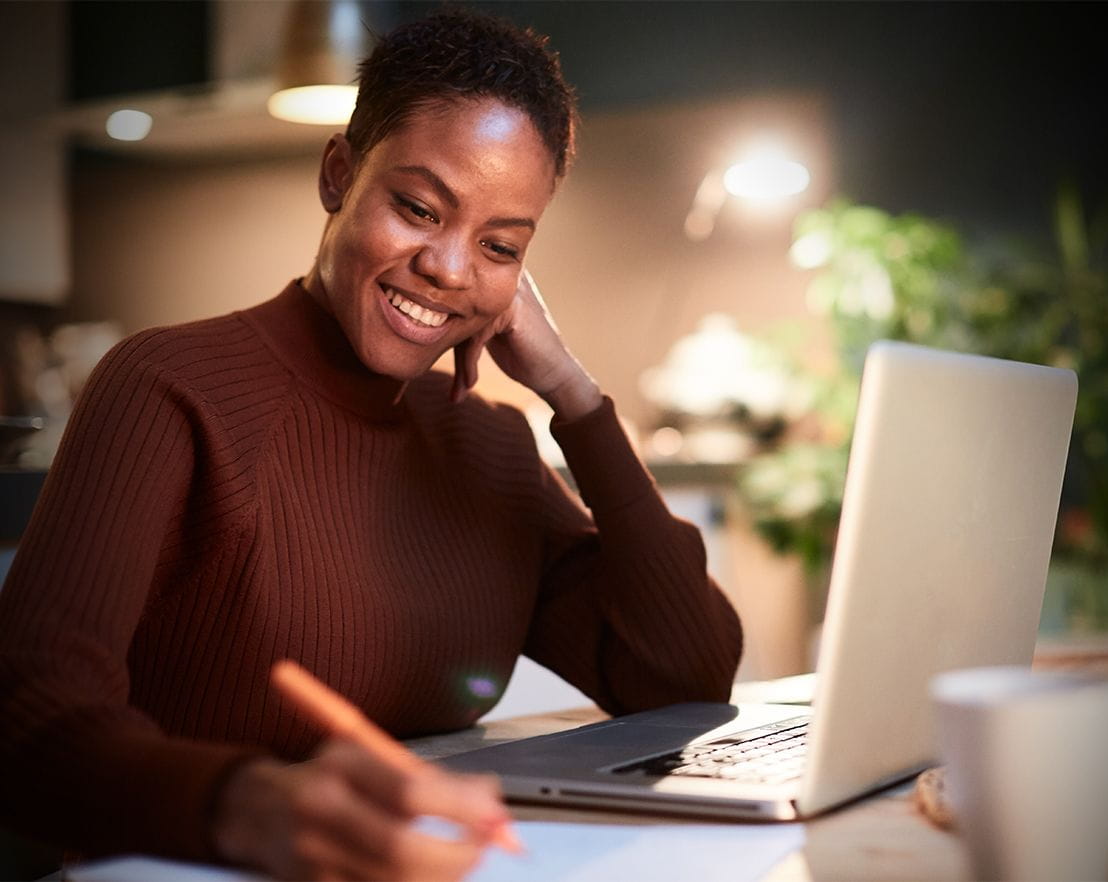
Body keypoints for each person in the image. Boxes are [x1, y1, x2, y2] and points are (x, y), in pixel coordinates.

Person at [0, 9, 742, 881]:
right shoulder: (167, 387)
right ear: (339, 174)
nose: (451, 269)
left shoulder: (488, 445)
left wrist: (574, 396)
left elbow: (683, 676)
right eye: (419, 208)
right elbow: (27, 718)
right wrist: (250, 804)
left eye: (500, 245)